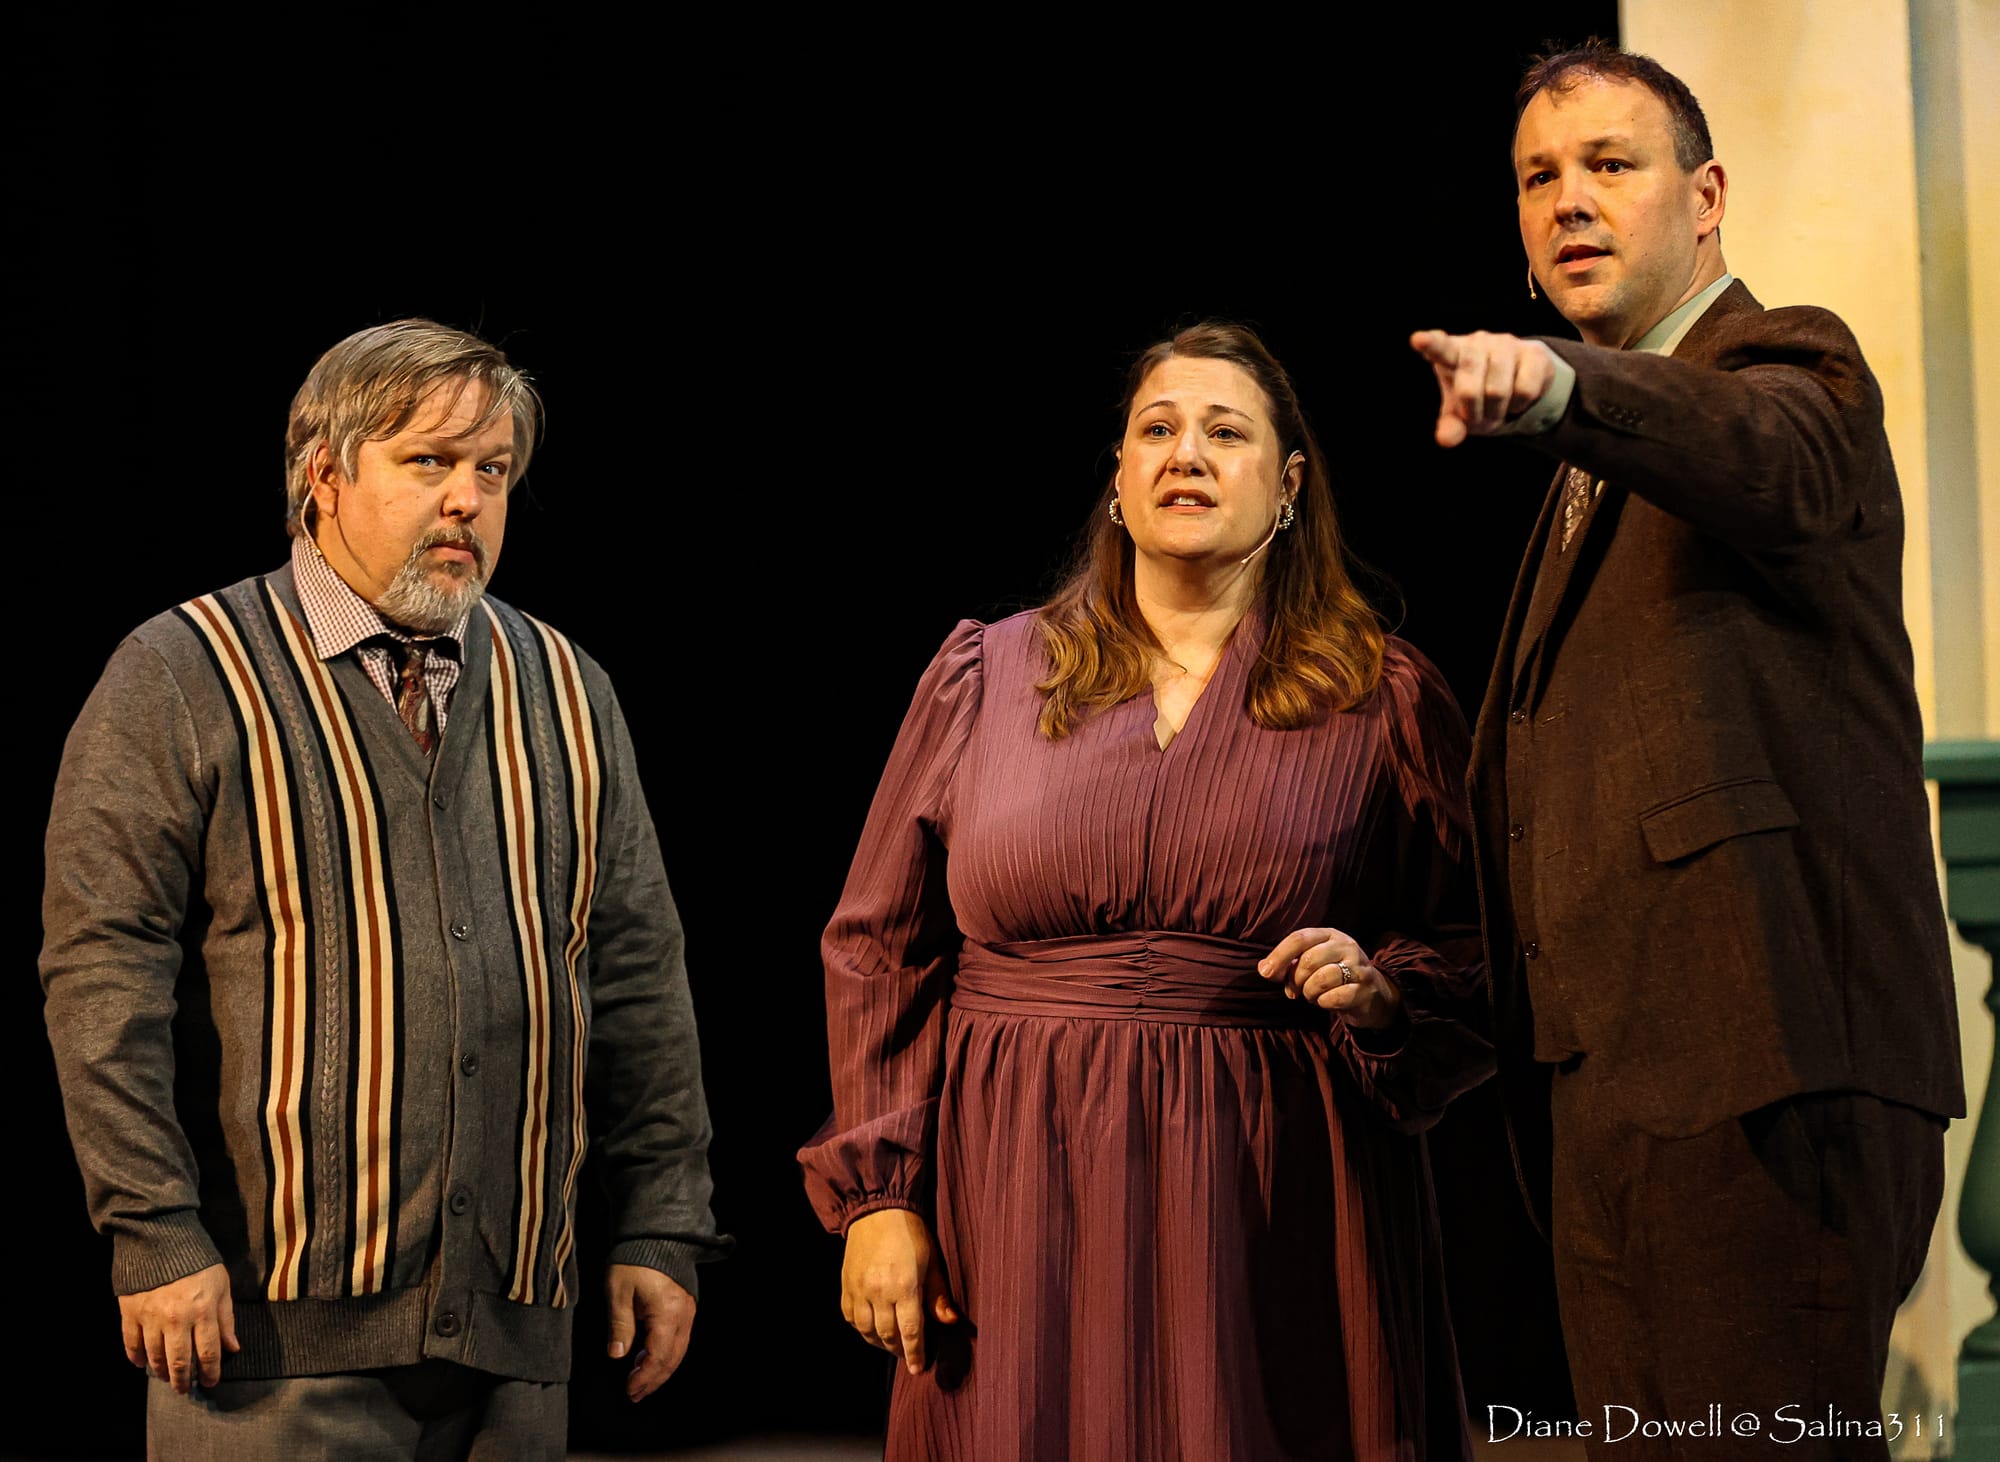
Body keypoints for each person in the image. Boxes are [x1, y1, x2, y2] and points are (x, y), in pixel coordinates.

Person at [799, 321, 1493, 1460]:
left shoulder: (1383, 697)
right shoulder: (987, 676)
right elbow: (877, 945)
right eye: (1157, 430)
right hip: (1012, 1187)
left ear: (1288, 485)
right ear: (1117, 480)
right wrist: (879, 1197)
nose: (1187, 454)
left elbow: (1474, 945)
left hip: (1272, 1189)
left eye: (1226, 432)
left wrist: (1382, 996)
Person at [1408, 41, 1964, 1458]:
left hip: (1756, 1068)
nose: (1567, 201)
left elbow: (1771, 459)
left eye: (1609, 165)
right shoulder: (1590, 471)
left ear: (1704, 196)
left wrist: (1558, 388)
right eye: (1538, 176)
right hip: (1608, 1103)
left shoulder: (1785, 367)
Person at [39, 319, 729, 1457]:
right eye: (429, 461)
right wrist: (153, 1229)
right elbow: (101, 977)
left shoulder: (566, 685)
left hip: (514, 1337)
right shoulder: (180, 671)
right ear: (323, 473)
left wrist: (663, 1223)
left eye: (492, 470)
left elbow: (637, 975)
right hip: (262, 1344)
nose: (467, 499)